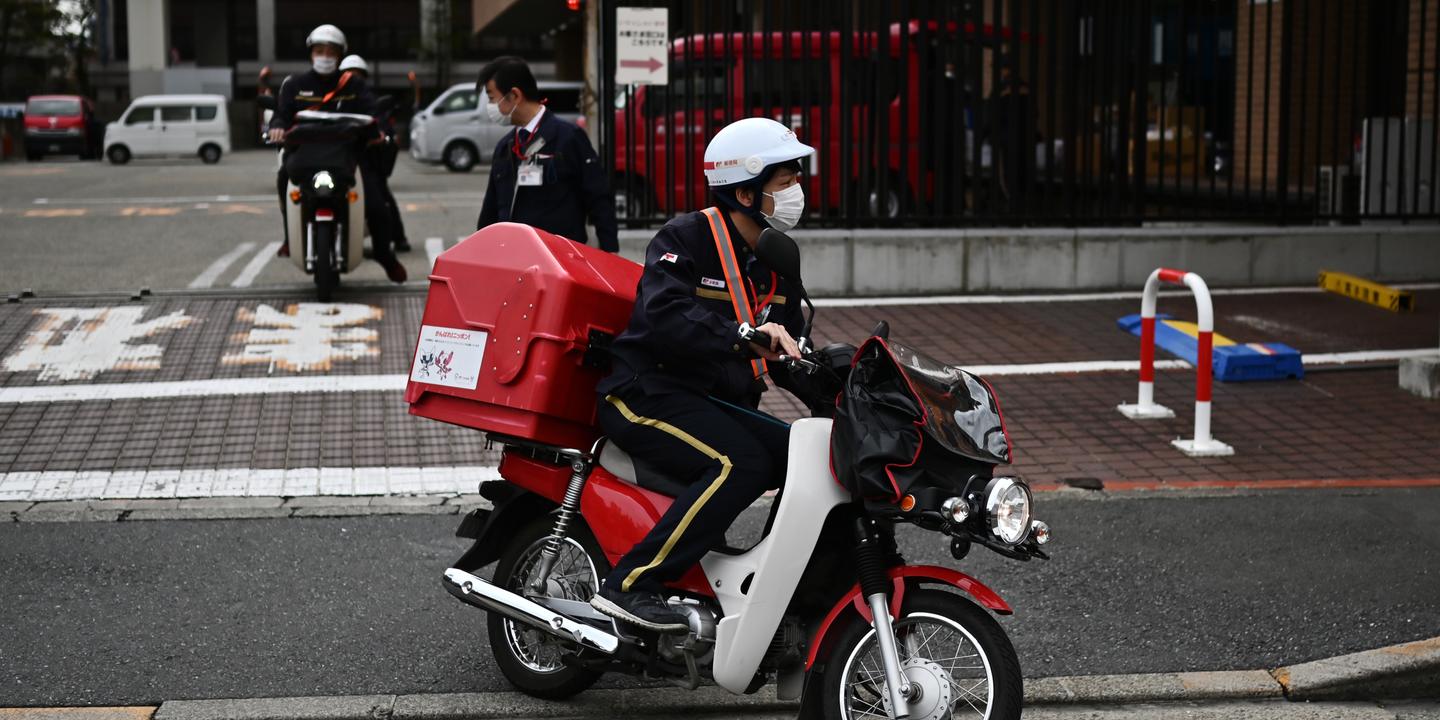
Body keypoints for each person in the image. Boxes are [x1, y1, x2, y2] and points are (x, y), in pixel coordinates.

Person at [588, 118, 813, 631]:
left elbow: (790, 351)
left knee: (803, 455)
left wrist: (844, 389)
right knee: (742, 462)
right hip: (646, 393)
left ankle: (774, 584)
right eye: (786, 181)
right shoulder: (685, 238)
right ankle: (631, 585)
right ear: (745, 193)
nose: (797, 191)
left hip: (712, 402)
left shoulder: (778, 257)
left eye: (797, 178)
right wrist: (741, 334)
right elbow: (664, 314)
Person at [267, 24, 406, 283]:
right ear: (311, 54)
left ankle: (384, 254)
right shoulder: (294, 84)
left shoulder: (353, 84)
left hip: (349, 157)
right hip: (305, 155)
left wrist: (382, 131)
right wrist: (276, 127)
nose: (325, 56)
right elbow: (281, 114)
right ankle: (290, 237)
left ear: (340, 55)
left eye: (331, 52)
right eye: (319, 51)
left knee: (378, 206)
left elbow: (374, 112)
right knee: (284, 178)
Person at [474, 56, 617, 253]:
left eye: (492, 98)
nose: (490, 106)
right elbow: (490, 211)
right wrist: (482, 252)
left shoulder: (569, 138)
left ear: (515, 95)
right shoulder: (505, 147)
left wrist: (609, 249)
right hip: (514, 257)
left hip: (560, 257)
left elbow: (598, 197)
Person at [338, 54, 411, 254]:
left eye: (357, 75)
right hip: (337, 159)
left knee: (381, 198)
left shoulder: (369, 102)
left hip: (366, 161)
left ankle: (396, 238)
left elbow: (382, 124)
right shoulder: (332, 100)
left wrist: (381, 135)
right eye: (348, 75)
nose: (352, 79)